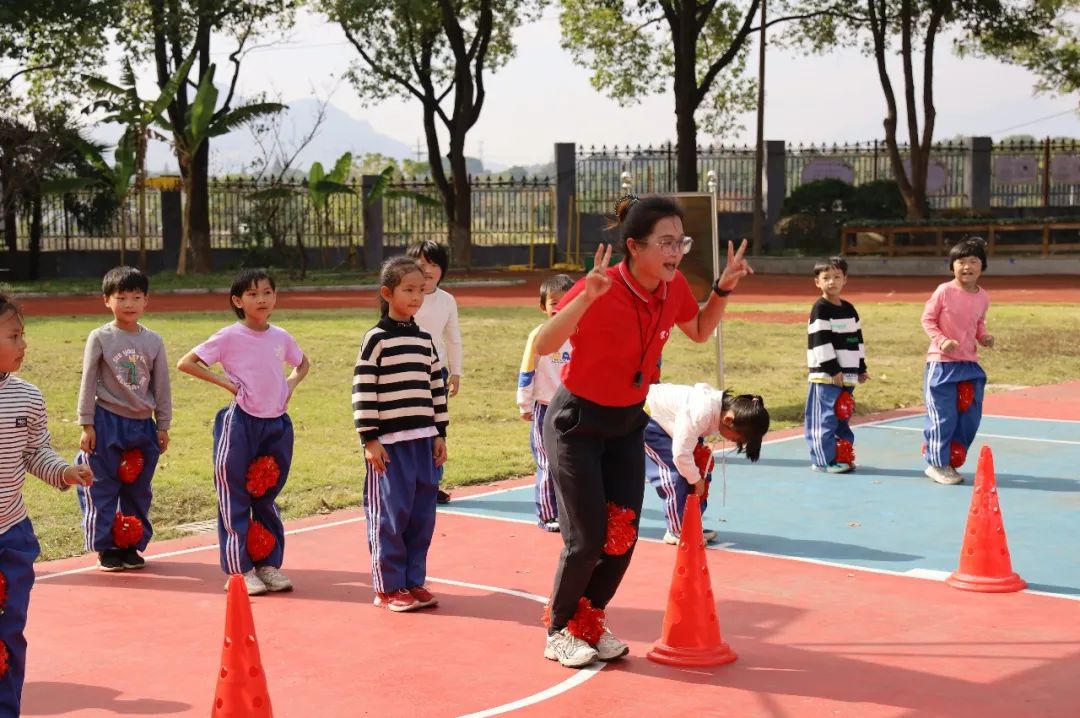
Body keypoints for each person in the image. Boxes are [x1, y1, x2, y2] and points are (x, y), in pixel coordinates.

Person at [534, 194, 753, 668]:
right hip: (577, 423)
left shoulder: (669, 288)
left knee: (623, 534)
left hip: (628, 422)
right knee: (587, 538)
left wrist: (722, 290)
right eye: (666, 243)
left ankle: (589, 622)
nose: (676, 252)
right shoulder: (602, 286)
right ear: (634, 246)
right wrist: (584, 299)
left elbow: (697, 329)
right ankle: (559, 628)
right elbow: (542, 343)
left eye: (681, 242)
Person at [176, 269, 309, 595]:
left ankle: (267, 564)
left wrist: (290, 383)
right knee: (235, 495)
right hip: (241, 424)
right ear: (238, 301)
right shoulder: (228, 336)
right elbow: (187, 362)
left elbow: (302, 363)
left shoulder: (280, 336)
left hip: (276, 424)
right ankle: (240, 570)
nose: (262, 299)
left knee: (265, 496)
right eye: (252, 294)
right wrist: (226, 383)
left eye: (267, 292)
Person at [0, 294, 93, 713]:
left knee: (8, 632)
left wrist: (63, 471)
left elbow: (35, 451)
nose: (24, 345)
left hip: (11, 538)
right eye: (14, 335)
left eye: (23, 335)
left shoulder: (28, 397)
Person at [354, 256, 449, 612]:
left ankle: (412, 581)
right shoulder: (375, 340)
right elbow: (363, 390)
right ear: (387, 293)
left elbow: (435, 390)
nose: (416, 297)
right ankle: (388, 586)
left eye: (420, 290)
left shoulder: (425, 342)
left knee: (421, 516)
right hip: (389, 446)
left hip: (423, 441)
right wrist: (370, 439)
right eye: (408, 290)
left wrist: (440, 434)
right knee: (390, 517)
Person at [74, 266, 172, 571]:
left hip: (142, 425)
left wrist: (163, 425)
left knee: (138, 489)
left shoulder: (154, 341)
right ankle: (106, 547)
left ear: (146, 302)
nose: (129, 304)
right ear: (107, 300)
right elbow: (88, 381)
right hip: (107, 421)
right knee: (102, 486)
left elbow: (161, 385)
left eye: (136, 297)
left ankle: (130, 544)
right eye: (122, 297)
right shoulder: (100, 337)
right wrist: (86, 424)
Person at [644, 383, 769, 544]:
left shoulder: (717, 409)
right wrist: (696, 480)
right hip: (649, 419)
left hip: (671, 426)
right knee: (673, 475)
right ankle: (676, 531)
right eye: (737, 439)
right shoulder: (701, 412)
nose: (733, 442)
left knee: (700, 470)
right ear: (729, 419)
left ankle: (690, 524)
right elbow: (681, 454)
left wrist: (698, 478)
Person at [920, 237, 994, 485]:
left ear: (982, 266)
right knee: (944, 416)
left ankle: (951, 458)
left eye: (973, 261)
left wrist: (983, 337)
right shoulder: (944, 291)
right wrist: (941, 341)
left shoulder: (983, 296)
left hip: (969, 364)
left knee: (970, 417)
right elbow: (927, 320)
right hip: (941, 364)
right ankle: (936, 463)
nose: (967, 267)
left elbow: (979, 322)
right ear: (952, 266)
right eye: (960, 262)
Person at [516, 274, 575, 532]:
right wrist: (524, 404)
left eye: (566, 301)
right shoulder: (538, 336)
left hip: (576, 408)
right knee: (547, 461)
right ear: (543, 307)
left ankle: (573, 513)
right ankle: (548, 514)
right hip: (544, 409)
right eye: (553, 302)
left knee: (573, 462)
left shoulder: (582, 333)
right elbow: (527, 371)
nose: (559, 307)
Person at [406, 241, 461, 504]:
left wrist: (456, 372)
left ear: (443, 269)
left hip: (436, 372)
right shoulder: (405, 296)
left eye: (433, 264)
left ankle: (433, 482)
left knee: (437, 428)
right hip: (406, 372)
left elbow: (453, 338)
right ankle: (410, 482)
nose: (426, 269)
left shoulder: (447, 301)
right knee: (410, 428)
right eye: (421, 263)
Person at [804, 256, 868, 473]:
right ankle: (823, 459)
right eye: (826, 277)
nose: (832, 281)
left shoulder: (850, 309)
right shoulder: (820, 309)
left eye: (837, 277)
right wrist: (833, 370)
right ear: (817, 282)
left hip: (847, 376)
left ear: (845, 280)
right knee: (825, 419)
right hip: (826, 376)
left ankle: (842, 455)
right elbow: (820, 341)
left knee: (843, 416)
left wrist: (860, 368)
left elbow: (856, 340)